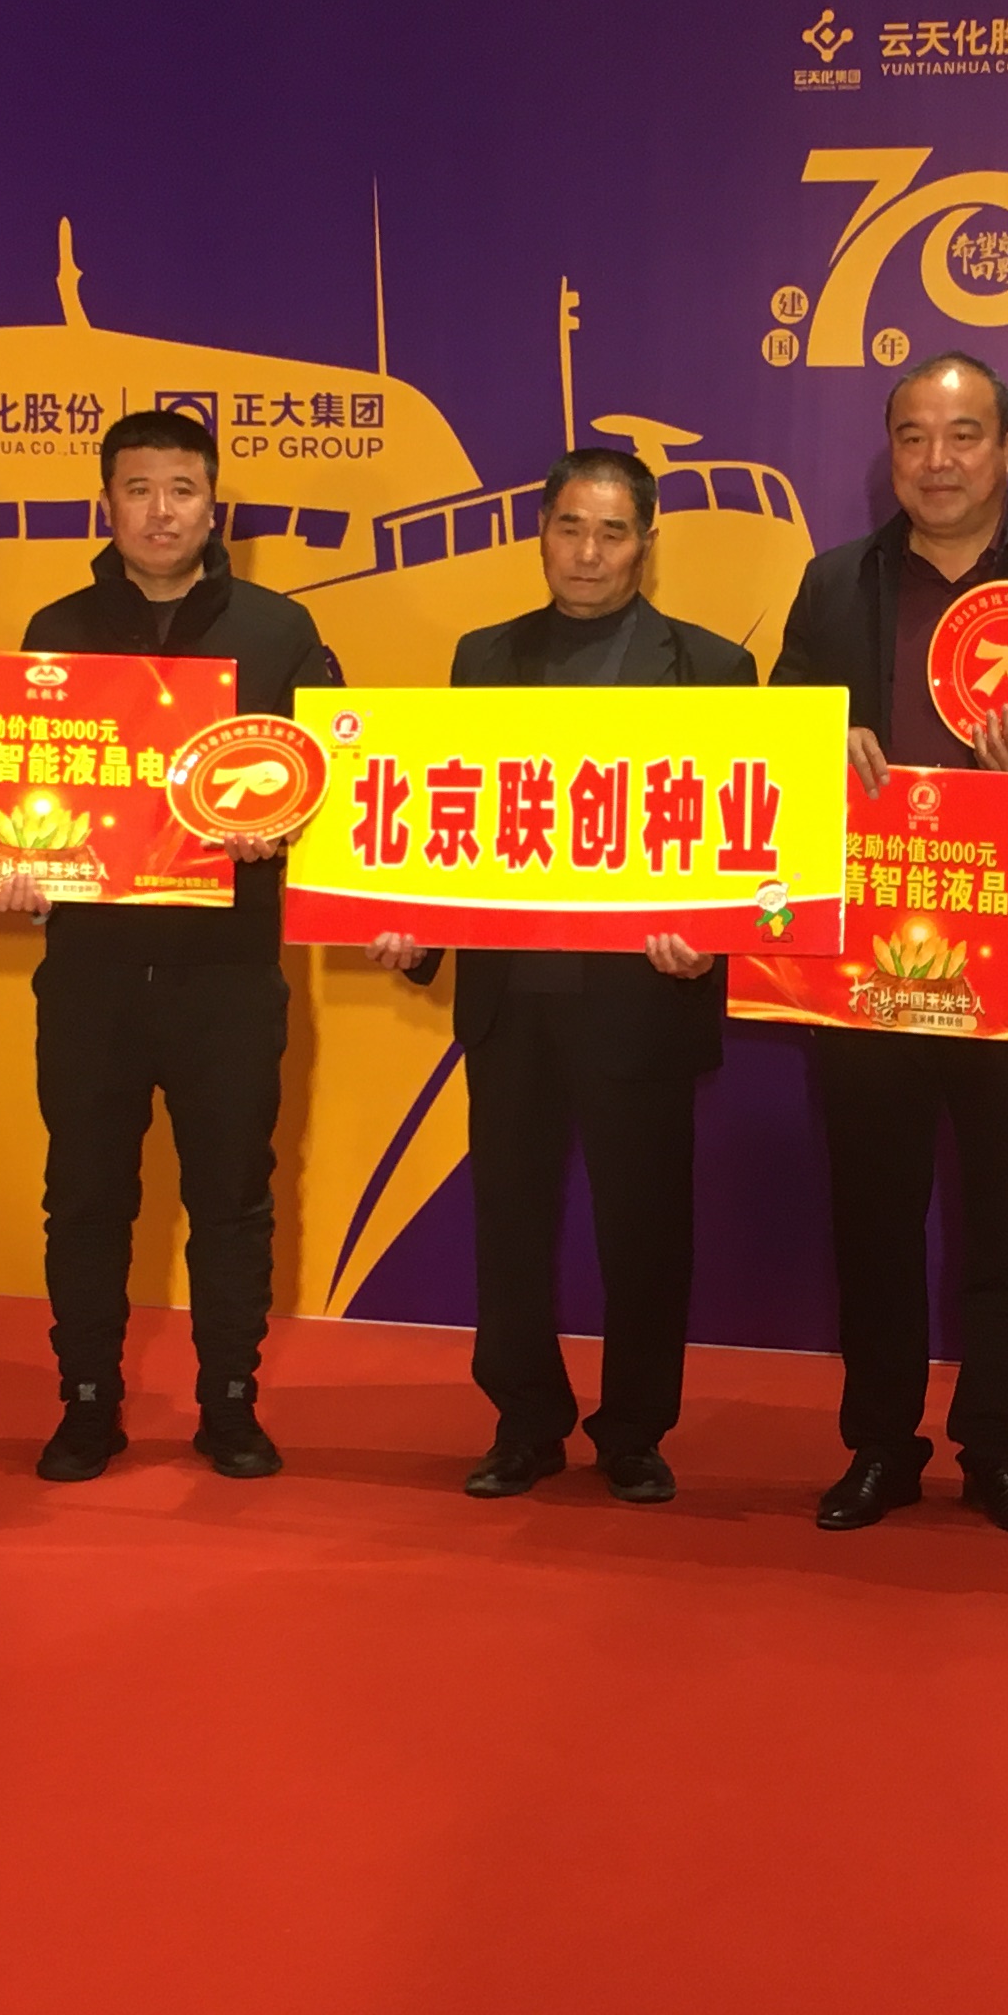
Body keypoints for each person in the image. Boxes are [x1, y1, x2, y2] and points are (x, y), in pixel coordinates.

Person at [768, 348, 1008, 1537]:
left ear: (1006, 447)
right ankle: (879, 1444)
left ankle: (998, 1444)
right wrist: (815, 744)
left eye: (963, 436)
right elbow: (776, 732)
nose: (936, 462)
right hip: (870, 956)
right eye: (913, 438)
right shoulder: (838, 581)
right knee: (874, 1220)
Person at [365, 450, 752, 1505]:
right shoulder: (483, 657)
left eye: (612, 532)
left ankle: (635, 1429)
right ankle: (524, 1420)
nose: (588, 552)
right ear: (541, 532)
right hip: (513, 995)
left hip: (642, 996)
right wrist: (415, 932)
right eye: (570, 527)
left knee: (645, 1231)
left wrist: (713, 935)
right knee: (511, 1223)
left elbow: (745, 838)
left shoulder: (712, 668)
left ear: (647, 545)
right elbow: (453, 817)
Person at [6, 410, 340, 1485]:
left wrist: (284, 826)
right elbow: (17, 793)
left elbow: (336, 786)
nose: (160, 512)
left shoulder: (280, 632)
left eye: (182, 490)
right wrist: (11, 868)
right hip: (90, 973)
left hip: (227, 972)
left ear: (214, 506)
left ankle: (230, 1401)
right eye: (139, 489)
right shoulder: (55, 632)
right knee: (85, 1197)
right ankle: (87, 1401)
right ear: (106, 503)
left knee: (232, 1198)